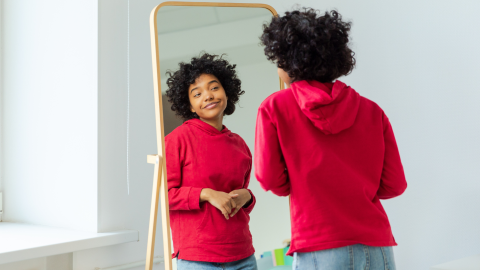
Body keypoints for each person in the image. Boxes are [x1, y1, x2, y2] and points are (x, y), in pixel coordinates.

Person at [255, 8, 407, 270]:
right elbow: (394, 185)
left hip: (319, 245)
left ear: (288, 61)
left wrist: (301, 185)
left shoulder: (275, 107)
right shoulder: (371, 110)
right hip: (377, 245)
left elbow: (270, 179)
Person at [164, 53, 257, 270]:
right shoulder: (177, 140)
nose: (208, 96)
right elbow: (163, 196)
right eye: (197, 94)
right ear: (190, 106)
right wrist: (205, 194)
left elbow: (235, 203)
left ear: (226, 92)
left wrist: (248, 196)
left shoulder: (240, 145)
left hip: (243, 254)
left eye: (214, 88)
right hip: (198, 258)